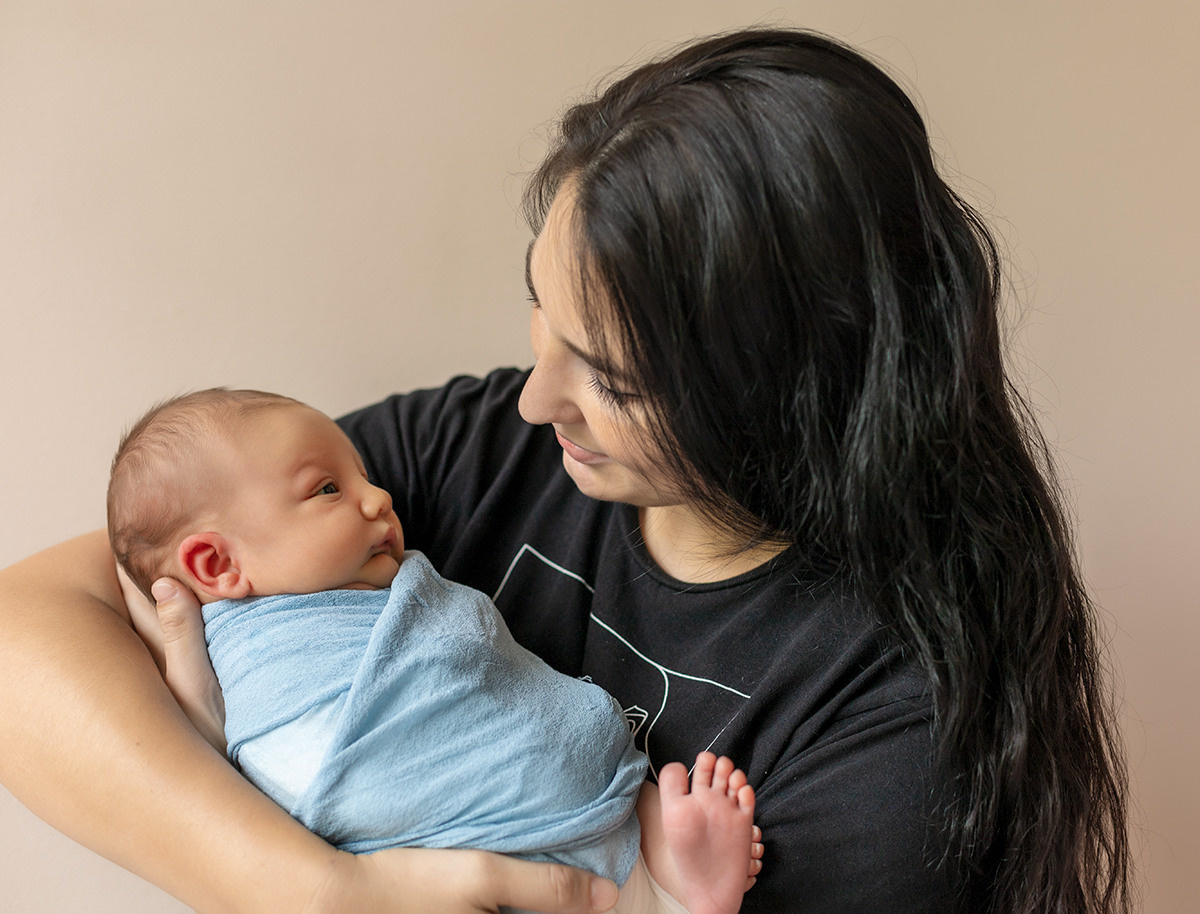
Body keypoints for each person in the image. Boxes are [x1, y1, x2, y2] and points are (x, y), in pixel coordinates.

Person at [0, 27, 1131, 914]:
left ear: (788, 392)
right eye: (541, 318)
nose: (538, 399)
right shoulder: (473, 449)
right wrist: (303, 886)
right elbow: (28, 629)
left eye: (614, 381)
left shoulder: (890, 724)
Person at [105, 387, 761, 914]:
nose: (379, 496)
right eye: (328, 489)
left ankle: (674, 883)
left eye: (360, 476)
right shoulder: (238, 654)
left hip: (561, 827)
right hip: (427, 844)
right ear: (216, 565)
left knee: (640, 817)